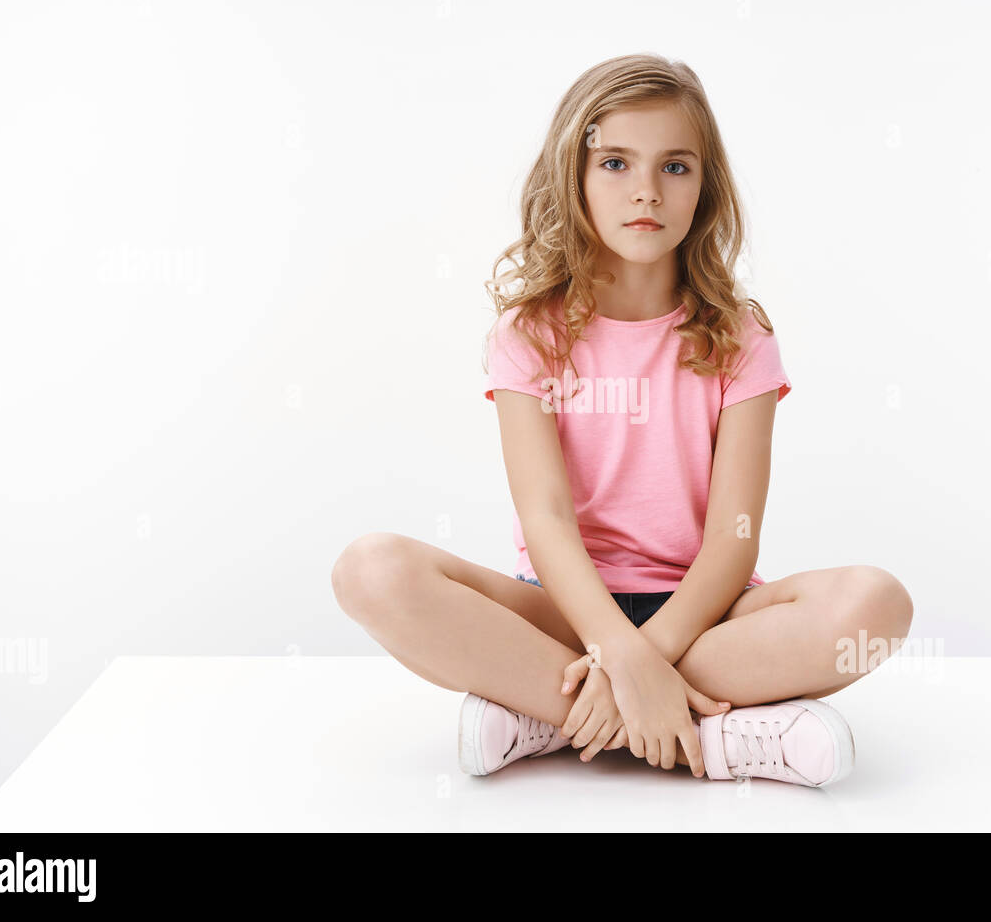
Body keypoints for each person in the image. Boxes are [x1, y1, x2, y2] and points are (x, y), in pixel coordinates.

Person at [331, 53, 913, 788]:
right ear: (573, 177)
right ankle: (720, 732)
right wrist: (616, 647)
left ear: (705, 188)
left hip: (705, 619)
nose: (646, 191)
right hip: (567, 611)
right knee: (372, 570)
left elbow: (735, 541)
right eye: (614, 163)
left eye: (675, 167)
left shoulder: (741, 337)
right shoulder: (528, 335)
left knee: (875, 606)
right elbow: (545, 523)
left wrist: (648, 653)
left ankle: (552, 713)